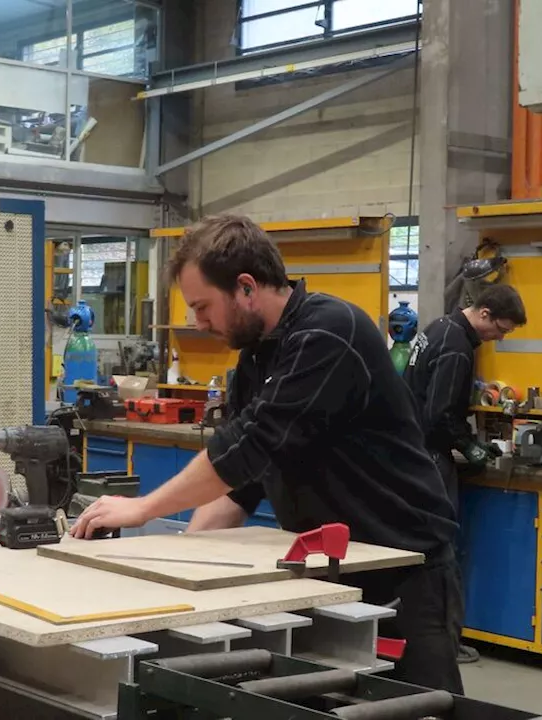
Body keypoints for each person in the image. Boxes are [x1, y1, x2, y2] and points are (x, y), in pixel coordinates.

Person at [71, 213, 464, 694]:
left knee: (422, 707)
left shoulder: (328, 333)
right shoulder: (257, 357)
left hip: (403, 567)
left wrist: (143, 509)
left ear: (245, 288)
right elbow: (245, 480)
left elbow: (245, 448)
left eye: (203, 307)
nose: (199, 322)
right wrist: (185, 564)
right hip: (329, 569)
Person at [402, 285, 527, 515]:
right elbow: (440, 413)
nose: (499, 337)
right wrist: (468, 445)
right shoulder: (457, 347)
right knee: (438, 528)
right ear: (484, 313)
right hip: (429, 453)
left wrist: (470, 441)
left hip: (411, 445)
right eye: (500, 329)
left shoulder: (439, 327)